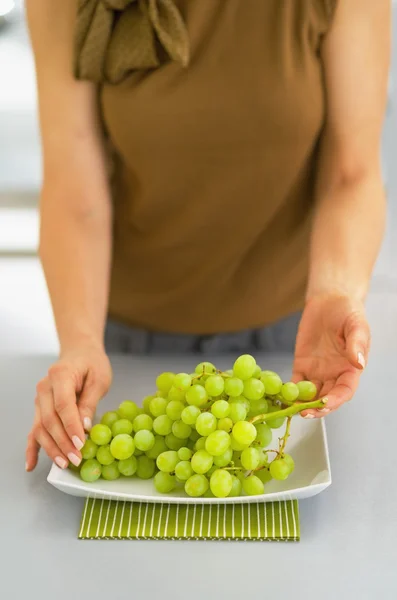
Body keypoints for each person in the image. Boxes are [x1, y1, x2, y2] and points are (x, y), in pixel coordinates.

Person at [25, 0, 390, 472]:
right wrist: (79, 343)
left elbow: (352, 172)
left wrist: (336, 291)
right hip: (121, 341)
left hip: (300, 338)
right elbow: (74, 189)